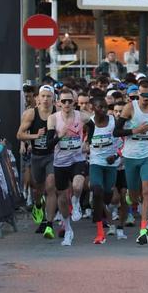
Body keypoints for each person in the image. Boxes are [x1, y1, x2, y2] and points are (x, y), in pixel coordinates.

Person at [113, 79, 148, 245]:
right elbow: (116, 131)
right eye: (143, 95)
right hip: (130, 155)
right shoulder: (130, 108)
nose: (146, 98)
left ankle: (143, 229)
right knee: (134, 196)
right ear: (138, 94)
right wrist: (136, 130)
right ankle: (131, 196)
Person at [45, 88, 90, 246]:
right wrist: (60, 136)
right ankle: (68, 230)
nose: (66, 104)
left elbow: (94, 127)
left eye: (69, 101)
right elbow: (48, 145)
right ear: (58, 102)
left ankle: (76, 202)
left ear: (74, 102)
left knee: (78, 185)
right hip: (60, 163)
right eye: (63, 101)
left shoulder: (82, 116)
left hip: (77, 159)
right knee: (62, 199)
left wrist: (87, 141)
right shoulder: (53, 119)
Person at [17, 85, 56, 238]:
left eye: (48, 96)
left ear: (53, 98)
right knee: (39, 189)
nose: (45, 99)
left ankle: (48, 223)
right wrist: (35, 137)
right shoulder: (30, 114)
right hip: (37, 156)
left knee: (50, 186)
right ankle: (38, 205)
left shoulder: (58, 113)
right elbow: (19, 135)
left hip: (52, 155)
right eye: (43, 96)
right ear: (38, 98)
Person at [84, 96, 120, 245]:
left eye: (105, 107)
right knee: (97, 190)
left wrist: (116, 154)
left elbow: (122, 141)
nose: (104, 110)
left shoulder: (113, 121)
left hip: (111, 163)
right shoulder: (90, 123)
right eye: (100, 107)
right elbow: (86, 140)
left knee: (107, 195)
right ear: (93, 108)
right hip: (96, 162)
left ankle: (100, 207)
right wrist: (85, 145)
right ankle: (100, 232)